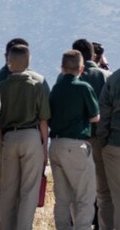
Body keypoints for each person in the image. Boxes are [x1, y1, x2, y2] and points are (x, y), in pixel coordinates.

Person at [0, 37, 49, 230]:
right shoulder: (38, 83)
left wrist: (0, 139)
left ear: (8, 59)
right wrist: (44, 148)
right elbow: (43, 120)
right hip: (31, 136)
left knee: (6, 191)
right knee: (28, 191)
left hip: (8, 138)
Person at [49, 50, 100, 230]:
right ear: (81, 68)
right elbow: (95, 116)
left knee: (62, 198)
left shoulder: (56, 88)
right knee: (85, 196)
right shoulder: (83, 88)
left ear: (62, 68)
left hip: (55, 144)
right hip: (75, 144)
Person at [73, 38, 112, 230]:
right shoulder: (105, 76)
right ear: (94, 55)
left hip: (75, 141)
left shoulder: (70, 78)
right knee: (104, 193)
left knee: (79, 192)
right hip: (99, 139)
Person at [98, 54, 120, 230]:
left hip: (114, 145)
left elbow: (104, 114)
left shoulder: (113, 80)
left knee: (115, 196)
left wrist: (103, 141)